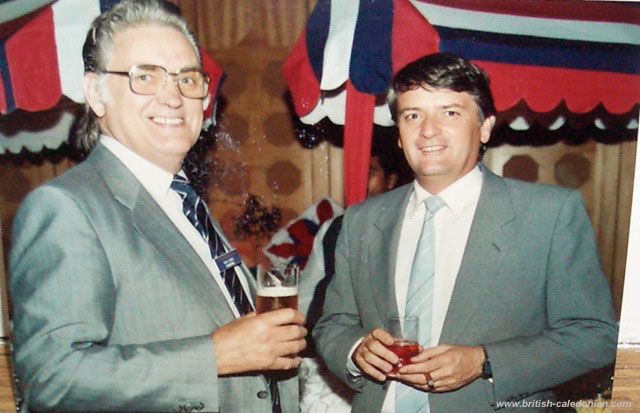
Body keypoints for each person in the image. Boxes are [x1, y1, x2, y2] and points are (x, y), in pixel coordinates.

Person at [8, 1, 306, 412]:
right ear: (96, 94)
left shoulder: (184, 202)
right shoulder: (65, 207)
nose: (173, 97)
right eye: (145, 76)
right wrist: (213, 357)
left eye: (187, 78)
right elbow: (52, 379)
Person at [313, 53, 618, 413]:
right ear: (398, 135)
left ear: (485, 127)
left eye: (450, 113)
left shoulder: (549, 214)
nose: (428, 130)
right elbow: (334, 324)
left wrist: (483, 361)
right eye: (413, 116)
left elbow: (595, 335)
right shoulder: (361, 220)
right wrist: (355, 350)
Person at [298, 141, 407, 413]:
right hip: (337, 360)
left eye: (370, 171)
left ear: (391, 181)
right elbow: (306, 300)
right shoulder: (335, 228)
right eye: (356, 171)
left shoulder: (409, 226)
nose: (361, 179)